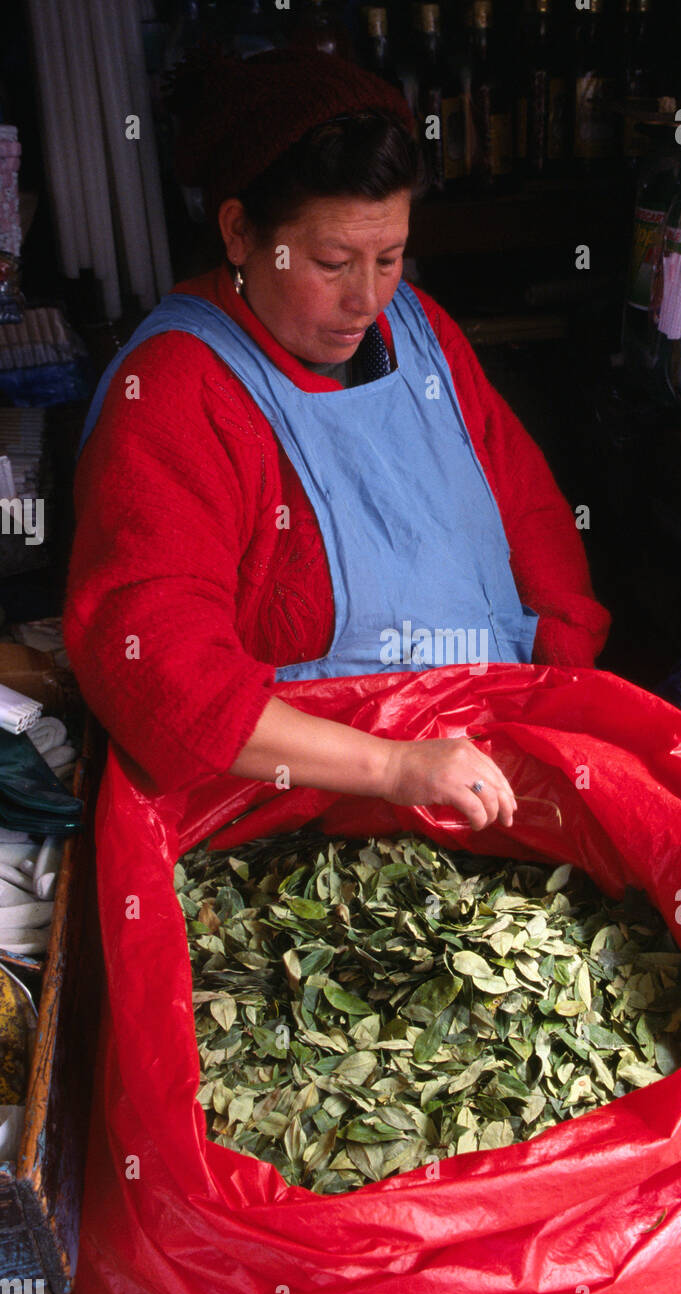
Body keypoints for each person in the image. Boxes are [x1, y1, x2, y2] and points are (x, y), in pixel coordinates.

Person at [64, 47, 609, 834]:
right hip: (297, 816)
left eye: (389, 258)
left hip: (484, 775)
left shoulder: (420, 334)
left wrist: (556, 694)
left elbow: (529, 513)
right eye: (331, 262)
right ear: (241, 233)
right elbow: (156, 663)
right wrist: (393, 767)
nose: (366, 299)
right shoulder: (176, 394)